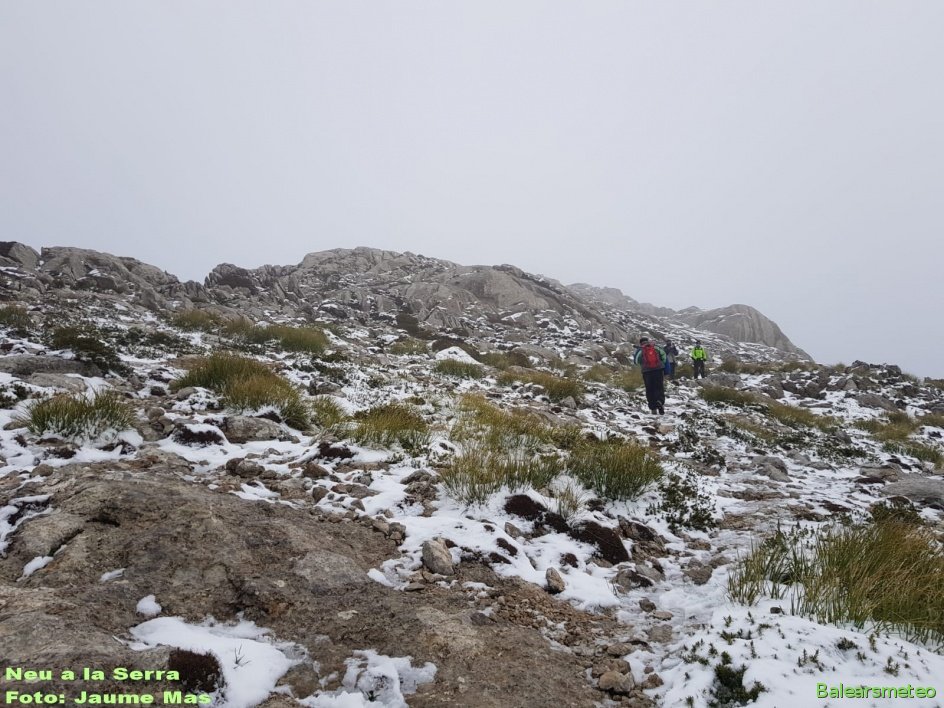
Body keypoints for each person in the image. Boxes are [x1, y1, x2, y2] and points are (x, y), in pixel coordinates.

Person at [634, 337, 667, 414]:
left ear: (640, 343)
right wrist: (661, 364)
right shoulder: (655, 347)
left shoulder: (640, 350)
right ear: (647, 341)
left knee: (649, 389)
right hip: (658, 370)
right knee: (659, 387)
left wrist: (643, 364)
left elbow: (636, 361)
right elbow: (664, 356)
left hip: (647, 372)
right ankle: (660, 401)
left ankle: (653, 408)